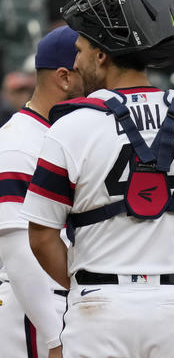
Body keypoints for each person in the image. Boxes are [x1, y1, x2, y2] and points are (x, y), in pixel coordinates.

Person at [21, 0, 174, 357]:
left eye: (80, 50)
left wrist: (83, 285)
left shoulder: (68, 128)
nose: (76, 62)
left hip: (98, 311)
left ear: (101, 55)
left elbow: (40, 236)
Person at [0, 25, 83, 358]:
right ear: (63, 77)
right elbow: (20, 254)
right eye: (88, 70)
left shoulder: (67, 134)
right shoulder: (18, 143)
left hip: (66, 302)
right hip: (34, 309)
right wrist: (53, 337)